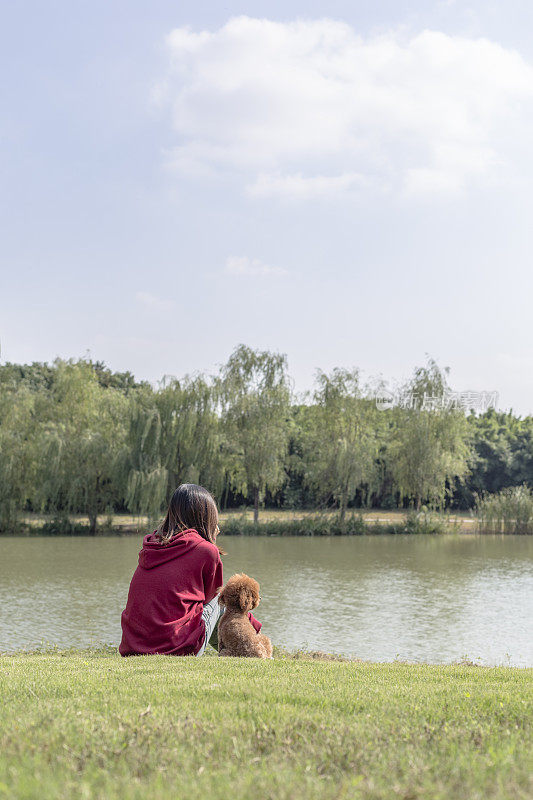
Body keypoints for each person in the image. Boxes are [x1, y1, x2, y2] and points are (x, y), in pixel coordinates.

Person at [119, 483, 261, 657]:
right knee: (222, 598)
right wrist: (211, 542)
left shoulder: (152, 546)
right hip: (177, 649)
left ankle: (239, 649)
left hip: (133, 649)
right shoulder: (206, 551)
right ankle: (252, 648)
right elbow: (215, 598)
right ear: (205, 518)